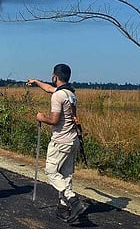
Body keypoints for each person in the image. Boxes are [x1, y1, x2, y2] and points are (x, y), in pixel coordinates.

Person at [27, 64, 87, 223]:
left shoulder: (58, 96)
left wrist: (41, 118)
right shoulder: (70, 94)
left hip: (60, 141)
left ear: (55, 76)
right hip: (72, 140)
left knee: (51, 171)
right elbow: (48, 88)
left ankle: (73, 200)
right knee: (66, 175)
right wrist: (36, 82)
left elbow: (54, 120)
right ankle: (63, 208)